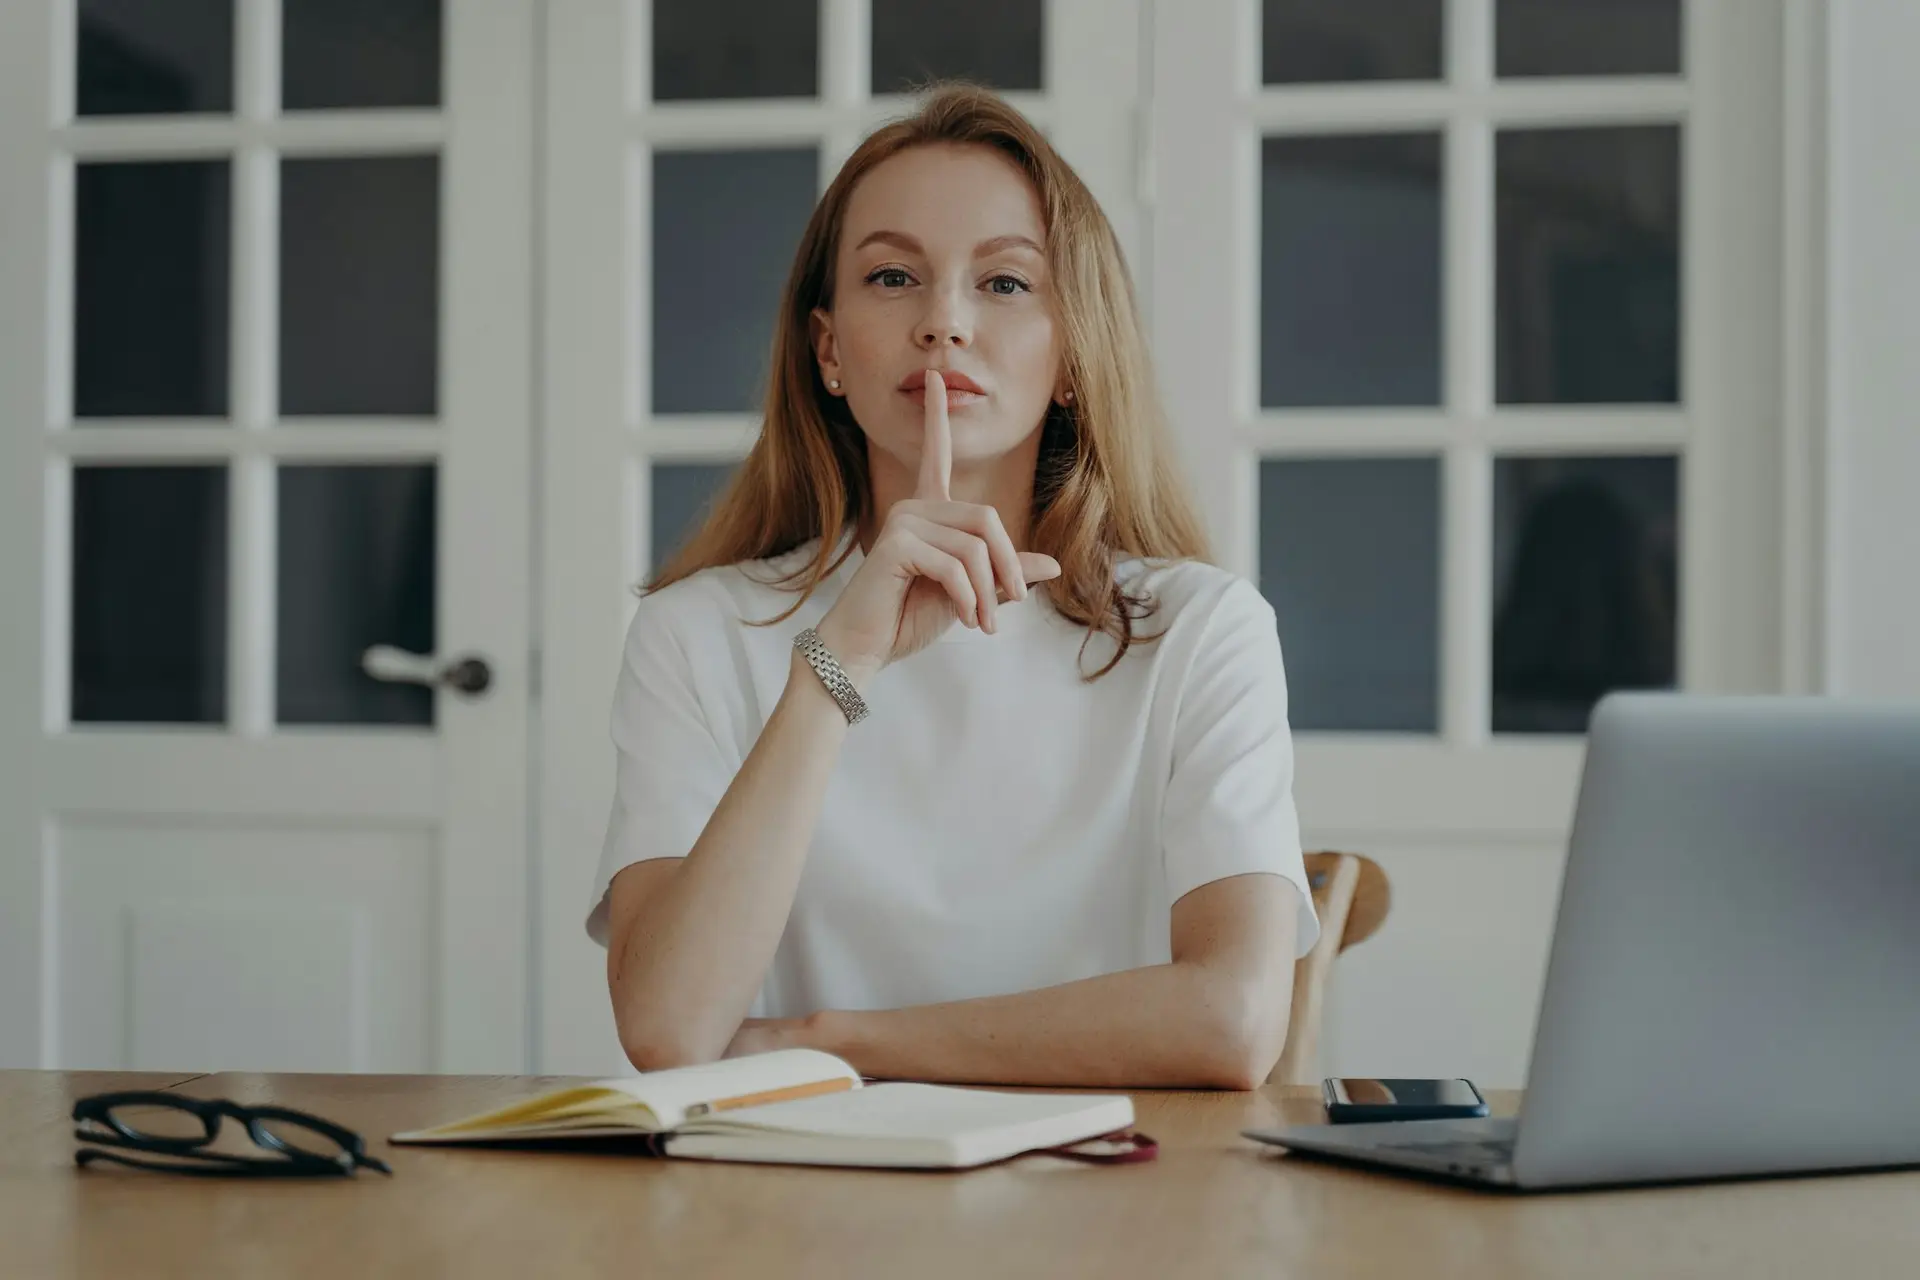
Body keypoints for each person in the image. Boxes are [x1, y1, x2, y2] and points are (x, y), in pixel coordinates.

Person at [587, 85, 1319, 1090]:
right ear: (829, 350)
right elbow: (669, 1027)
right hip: (792, 1205)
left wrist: (837, 1041)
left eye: (1006, 284)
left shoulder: (1202, 630)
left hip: (1115, 1200)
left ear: (1072, 356)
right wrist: (833, 667)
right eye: (893, 276)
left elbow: (1233, 1019)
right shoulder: (693, 633)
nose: (943, 322)